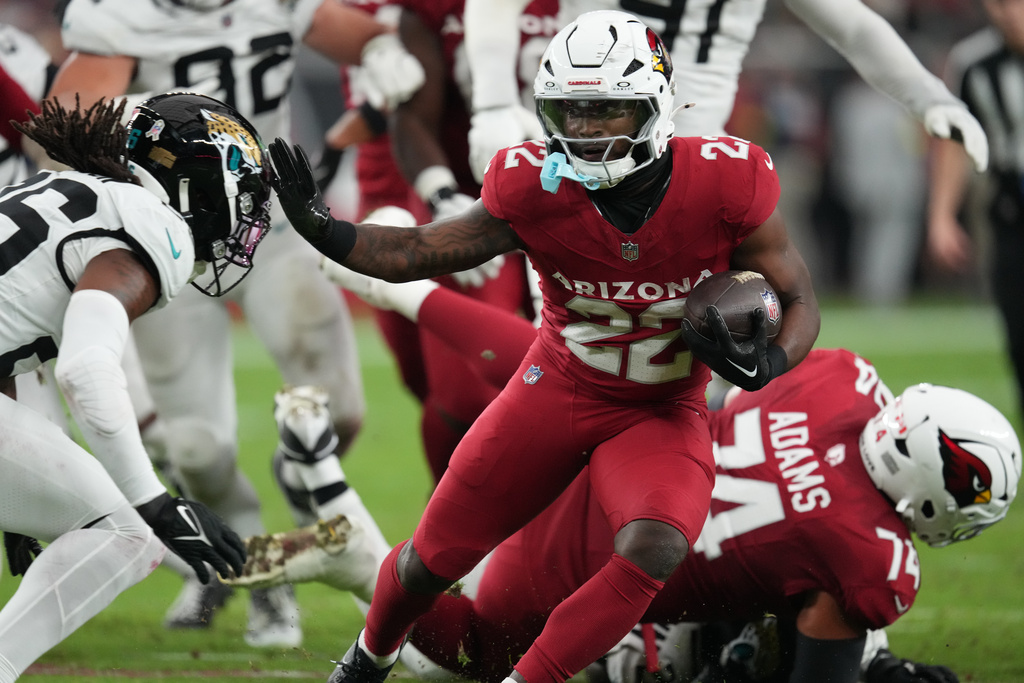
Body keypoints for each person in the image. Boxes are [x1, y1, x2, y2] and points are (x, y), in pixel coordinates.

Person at [268, 10, 821, 682]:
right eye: (571, 112)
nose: (586, 131)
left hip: (661, 409)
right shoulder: (530, 181)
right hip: (557, 389)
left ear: (654, 104)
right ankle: (367, 658)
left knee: (656, 545)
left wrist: (774, 360)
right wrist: (328, 231)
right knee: (430, 559)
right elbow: (423, 248)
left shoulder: (727, 179)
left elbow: (798, 299)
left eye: (606, 110)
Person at [229, 292, 1008, 682]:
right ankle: (339, 539)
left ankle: (406, 301)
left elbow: (719, 400)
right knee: (458, 651)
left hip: (598, 478)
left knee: (574, 368)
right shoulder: (868, 565)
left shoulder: (838, 383)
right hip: (591, 581)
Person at [47, 0, 424, 645]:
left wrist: (384, 59)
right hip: (173, 239)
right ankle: (258, 575)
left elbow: (367, 40)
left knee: (338, 412)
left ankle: (298, 490)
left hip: (273, 224)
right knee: (197, 447)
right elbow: (62, 141)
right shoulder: (120, 17)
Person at [0, 91, 269, 683]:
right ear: (201, 183)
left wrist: (18, 506)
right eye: (243, 193)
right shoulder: (152, 226)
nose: (245, 217)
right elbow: (84, 370)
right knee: (127, 532)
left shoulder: (65, 191)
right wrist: (157, 505)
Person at [320, 0, 556, 484]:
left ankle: (505, 533)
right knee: (434, 384)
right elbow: (408, 110)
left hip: (581, 201)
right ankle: (456, 534)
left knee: (568, 375)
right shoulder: (431, 11)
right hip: (464, 197)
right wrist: (443, 198)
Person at [462, 0, 990, 185]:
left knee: (706, 333)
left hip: (694, 157)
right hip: (586, 143)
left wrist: (930, 97)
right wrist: (489, 104)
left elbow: (851, 25)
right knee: (566, 323)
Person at [927, 0, 1024, 418]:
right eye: (999, 4)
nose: (1009, 14)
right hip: (1012, 209)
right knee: (1019, 328)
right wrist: (942, 216)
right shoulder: (974, 62)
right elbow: (954, 140)